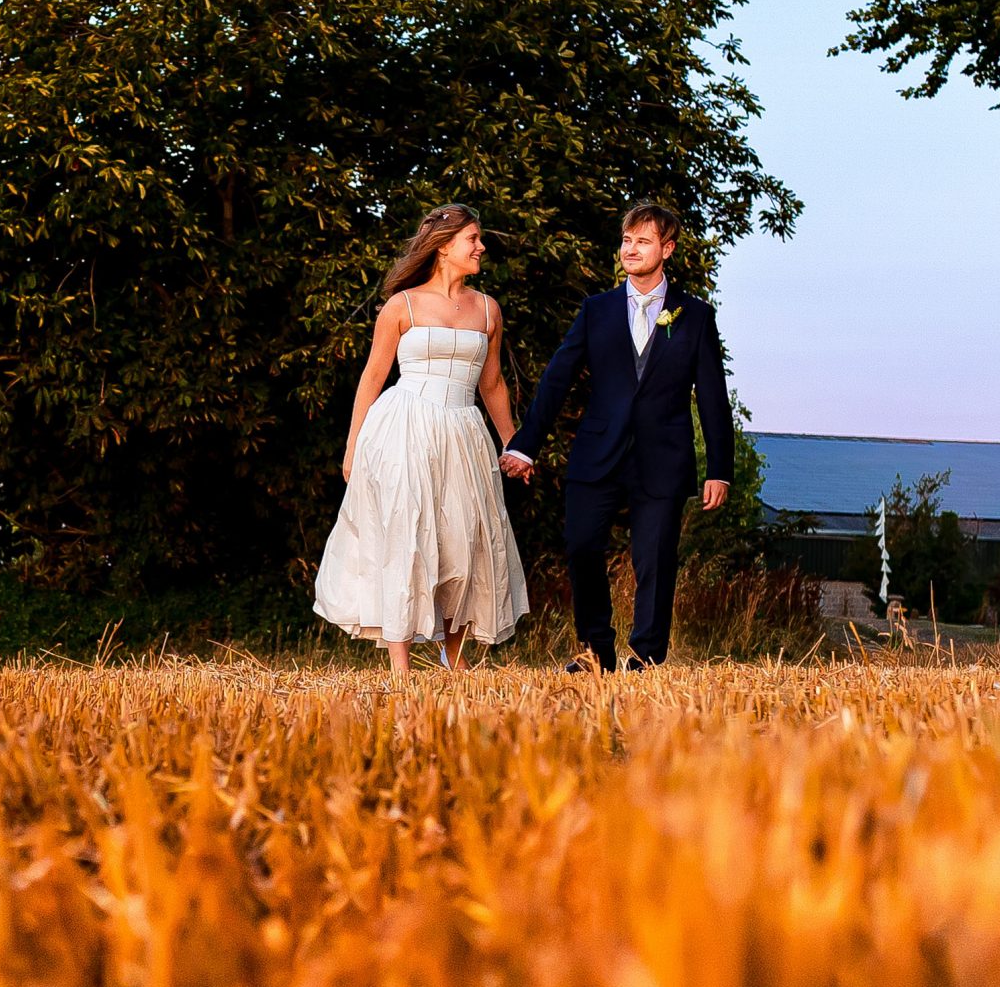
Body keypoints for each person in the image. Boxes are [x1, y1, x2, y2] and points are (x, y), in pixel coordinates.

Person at [501, 202, 734, 671]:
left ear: (667, 249)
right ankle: (595, 651)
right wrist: (525, 444)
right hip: (598, 451)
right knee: (581, 546)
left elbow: (713, 397)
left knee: (656, 560)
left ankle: (646, 656)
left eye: (643, 241)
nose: (631, 249)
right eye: (627, 240)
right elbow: (557, 380)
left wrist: (720, 470)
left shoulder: (695, 315)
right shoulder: (597, 310)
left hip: (663, 456)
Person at [313, 204, 531, 676]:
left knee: (463, 540)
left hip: (463, 431)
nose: (481, 247)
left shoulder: (488, 309)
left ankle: (453, 654)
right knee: (406, 534)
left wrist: (514, 443)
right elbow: (372, 377)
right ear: (444, 246)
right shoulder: (402, 305)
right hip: (405, 426)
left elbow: (493, 384)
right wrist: (352, 445)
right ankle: (400, 665)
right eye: (473, 239)